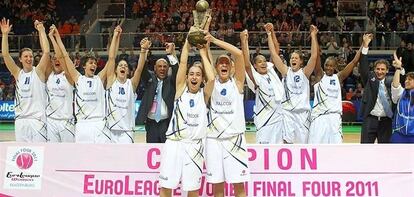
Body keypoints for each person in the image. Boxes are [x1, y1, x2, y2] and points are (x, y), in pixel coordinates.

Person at [159, 37, 215, 197]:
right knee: (166, 187)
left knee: (192, 190)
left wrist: (203, 53)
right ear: (187, 77)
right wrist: (187, 42)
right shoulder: (180, 90)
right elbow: (182, 63)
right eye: (191, 74)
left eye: (198, 74)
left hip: (195, 147)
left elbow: (211, 78)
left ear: (201, 79)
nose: (194, 77)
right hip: (174, 144)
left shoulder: (204, 95)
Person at [51, 25, 119, 143]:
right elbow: (64, 56)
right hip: (82, 124)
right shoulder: (78, 79)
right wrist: (57, 37)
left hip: (99, 123)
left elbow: (112, 58)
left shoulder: (100, 78)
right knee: (83, 159)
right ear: (84, 66)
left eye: (95, 63)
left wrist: (116, 37)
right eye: (90, 63)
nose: (93, 65)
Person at [204, 32, 249, 197]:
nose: (224, 64)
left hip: (234, 139)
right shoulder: (211, 83)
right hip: (213, 140)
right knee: (218, 187)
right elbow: (206, 57)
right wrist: (206, 41)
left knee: (239, 187)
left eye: (227, 63)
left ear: (231, 68)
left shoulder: (237, 83)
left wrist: (215, 40)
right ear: (216, 68)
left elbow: (238, 54)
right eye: (220, 63)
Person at [307, 34, 366, 144]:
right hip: (319, 118)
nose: (328, 67)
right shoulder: (320, 76)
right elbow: (316, 56)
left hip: (334, 118)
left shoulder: (338, 77)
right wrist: (314, 36)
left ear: (335, 67)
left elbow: (353, 62)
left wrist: (364, 44)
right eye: (326, 65)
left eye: (331, 66)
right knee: (316, 148)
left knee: (335, 148)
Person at [267, 25, 319, 144]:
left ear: (301, 61)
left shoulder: (305, 73)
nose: (293, 59)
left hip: (302, 114)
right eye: (292, 58)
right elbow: (274, 55)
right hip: (288, 113)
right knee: (287, 142)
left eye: (296, 58)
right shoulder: (286, 71)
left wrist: (313, 36)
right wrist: (269, 34)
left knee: (303, 144)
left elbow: (314, 56)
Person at [1, 18, 50, 142]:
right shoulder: (18, 73)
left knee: (39, 155)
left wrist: (41, 31)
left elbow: (46, 52)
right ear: (21, 59)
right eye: (26, 56)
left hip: (37, 121)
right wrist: (5, 35)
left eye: (31, 56)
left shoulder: (38, 72)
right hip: (21, 121)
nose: (29, 58)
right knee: (22, 157)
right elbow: (5, 55)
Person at [105, 29, 151, 143]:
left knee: (125, 160)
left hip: (127, 131)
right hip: (110, 130)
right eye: (120, 65)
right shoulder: (111, 81)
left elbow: (139, 69)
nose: (123, 67)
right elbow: (111, 58)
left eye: (125, 66)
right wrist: (115, 37)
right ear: (115, 70)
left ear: (128, 72)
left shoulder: (131, 84)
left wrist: (143, 50)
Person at [240, 24, 284, 144]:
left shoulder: (270, 70)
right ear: (255, 66)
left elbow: (276, 49)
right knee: (264, 155)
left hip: (279, 119)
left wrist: (271, 32)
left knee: (278, 153)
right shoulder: (256, 78)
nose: (263, 63)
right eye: (259, 62)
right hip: (265, 122)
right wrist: (244, 42)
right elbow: (247, 64)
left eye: (264, 61)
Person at [136, 43, 179, 143]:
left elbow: (177, 71)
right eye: (159, 66)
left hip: (166, 123)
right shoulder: (149, 79)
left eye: (165, 66)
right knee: (152, 149)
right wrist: (144, 51)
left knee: (166, 152)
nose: (162, 69)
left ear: (168, 68)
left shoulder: (171, 82)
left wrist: (170, 54)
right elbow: (142, 69)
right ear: (155, 68)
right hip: (151, 124)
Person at [359, 34, 394, 143]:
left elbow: (403, 79)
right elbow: (363, 66)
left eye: (383, 69)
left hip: (386, 122)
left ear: (387, 71)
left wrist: (400, 68)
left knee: (385, 153)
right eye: (377, 69)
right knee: (365, 151)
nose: (380, 71)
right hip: (370, 119)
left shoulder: (391, 82)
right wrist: (365, 46)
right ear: (374, 69)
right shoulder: (370, 79)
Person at [46, 25, 75, 142]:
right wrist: (45, 34)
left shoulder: (68, 75)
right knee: (53, 155)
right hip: (51, 121)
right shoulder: (48, 76)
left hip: (66, 122)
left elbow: (62, 56)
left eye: (58, 59)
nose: (57, 60)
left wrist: (54, 38)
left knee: (69, 155)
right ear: (51, 62)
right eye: (54, 59)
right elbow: (46, 52)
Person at [390, 52, 414, 143]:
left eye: (410, 79)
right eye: (406, 79)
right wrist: (398, 69)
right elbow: (395, 85)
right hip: (399, 135)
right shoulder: (401, 93)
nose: (406, 81)